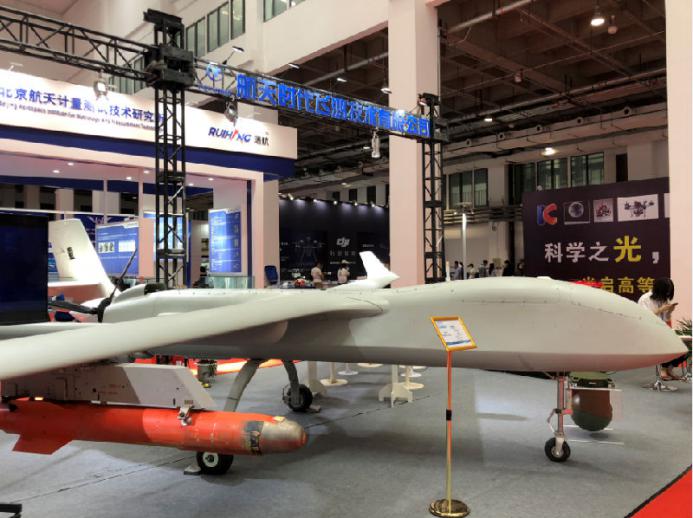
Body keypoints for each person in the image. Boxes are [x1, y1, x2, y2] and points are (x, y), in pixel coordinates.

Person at [639, 278, 684, 380]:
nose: (667, 294)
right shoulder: (645, 299)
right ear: (659, 289)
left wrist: (670, 311)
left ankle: (669, 369)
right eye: (666, 291)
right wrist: (660, 310)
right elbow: (643, 317)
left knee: (686, 346)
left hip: (661, 330)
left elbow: (665, 319)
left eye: (669, 292)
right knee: (669, 344)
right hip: (647, 331)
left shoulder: (664, 299)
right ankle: (663, 369)